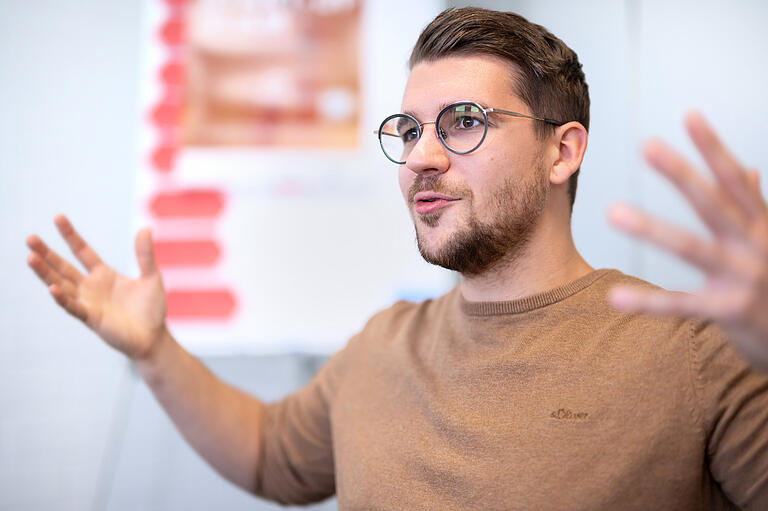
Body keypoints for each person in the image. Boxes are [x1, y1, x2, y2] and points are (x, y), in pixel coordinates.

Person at [25, 7, 768, 510]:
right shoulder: (382, 346)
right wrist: (154, 351)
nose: (422, 157)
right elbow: (266, 454)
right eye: (408, 130)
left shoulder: (696, 352)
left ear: (561, 150)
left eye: (465, 122)